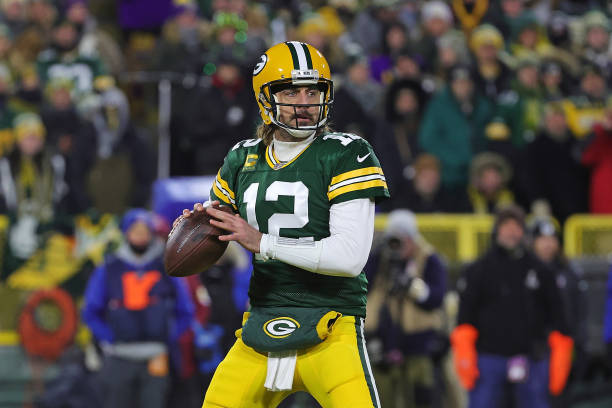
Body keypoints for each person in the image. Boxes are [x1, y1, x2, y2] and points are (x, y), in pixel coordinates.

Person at [181, 41, 389, 407]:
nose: (305, 102)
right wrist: (195, 229)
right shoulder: (242, 157)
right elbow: (218, 231)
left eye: (313, 90)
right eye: (292, 91)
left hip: (332, 323)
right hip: (261, 322)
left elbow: (349, 257)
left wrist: (262, 241)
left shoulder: (345, 152)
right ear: (265, 97)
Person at [451, 205, 573, 408]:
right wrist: (464, 353)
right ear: (496, 230)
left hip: (531, 359)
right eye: (506, 225)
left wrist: (560, 353)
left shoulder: (540, 270)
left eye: (516, 226)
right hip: (489, 358)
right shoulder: (478, 269)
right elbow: (465, 316)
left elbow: (558, 314)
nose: (511, 231)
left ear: (523, 231)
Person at [82, 208, 194, 408]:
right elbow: (90, 311)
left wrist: (168, 336)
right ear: (126, 232)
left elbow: (186, 309)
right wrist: (109, 338)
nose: (140, 236)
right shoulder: (109, 267)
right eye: (136, 230)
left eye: (145, 231)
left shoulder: (166, 266)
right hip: (118, 356)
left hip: (156, 355)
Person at [364, 209, 448, 408]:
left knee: (421, 399)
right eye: (395, 238)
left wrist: (413, 287)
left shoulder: (429, 259)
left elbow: (436, 298)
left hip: (418, 346)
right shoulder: (381, 258)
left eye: (404, 239)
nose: (400, 245)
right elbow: (362, 286)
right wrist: (376, 254)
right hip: (382, 345)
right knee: (382, 399)